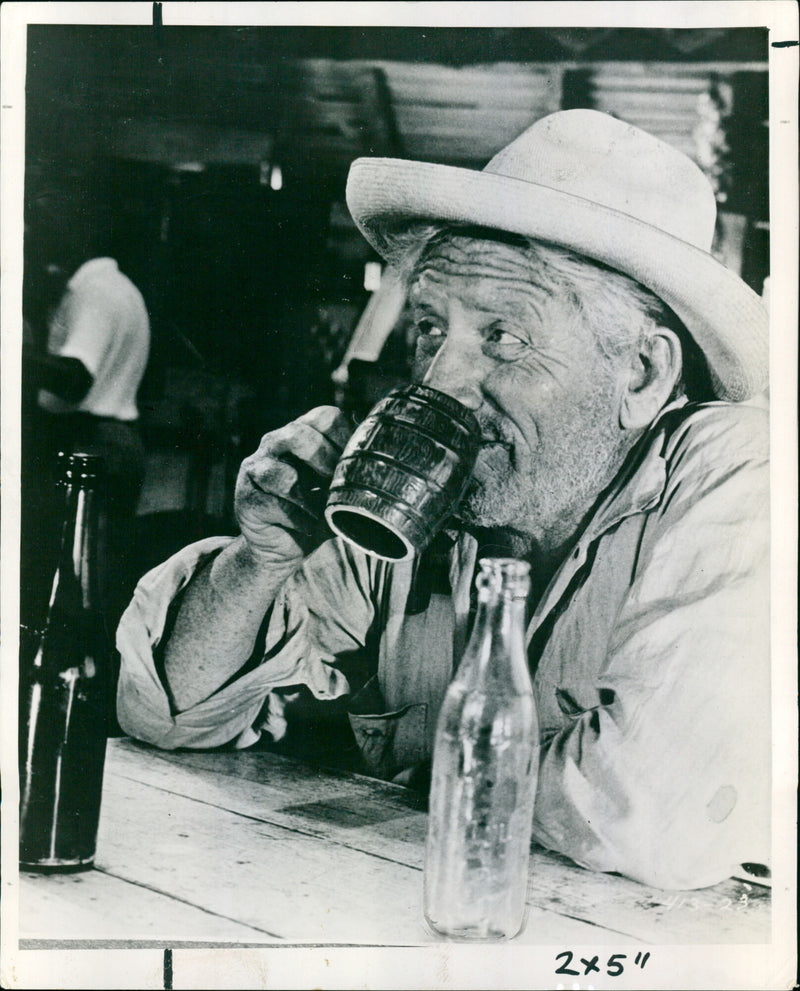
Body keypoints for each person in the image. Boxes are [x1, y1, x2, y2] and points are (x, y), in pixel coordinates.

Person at [116, 110, 770, 891]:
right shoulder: (429, 505)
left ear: (642, 375)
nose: (439, 384)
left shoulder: (745, 474)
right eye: (431, 329)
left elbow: (645, 815)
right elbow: (172, 712)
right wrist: (259, 559)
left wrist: (419, 789)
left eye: (503, 338)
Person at [21, 255, 151, 636]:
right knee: (92, 590)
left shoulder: (94, 292)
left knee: (71, 594)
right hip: (112, 442)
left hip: (93, 444)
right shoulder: (117, 286)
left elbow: (75, 379)